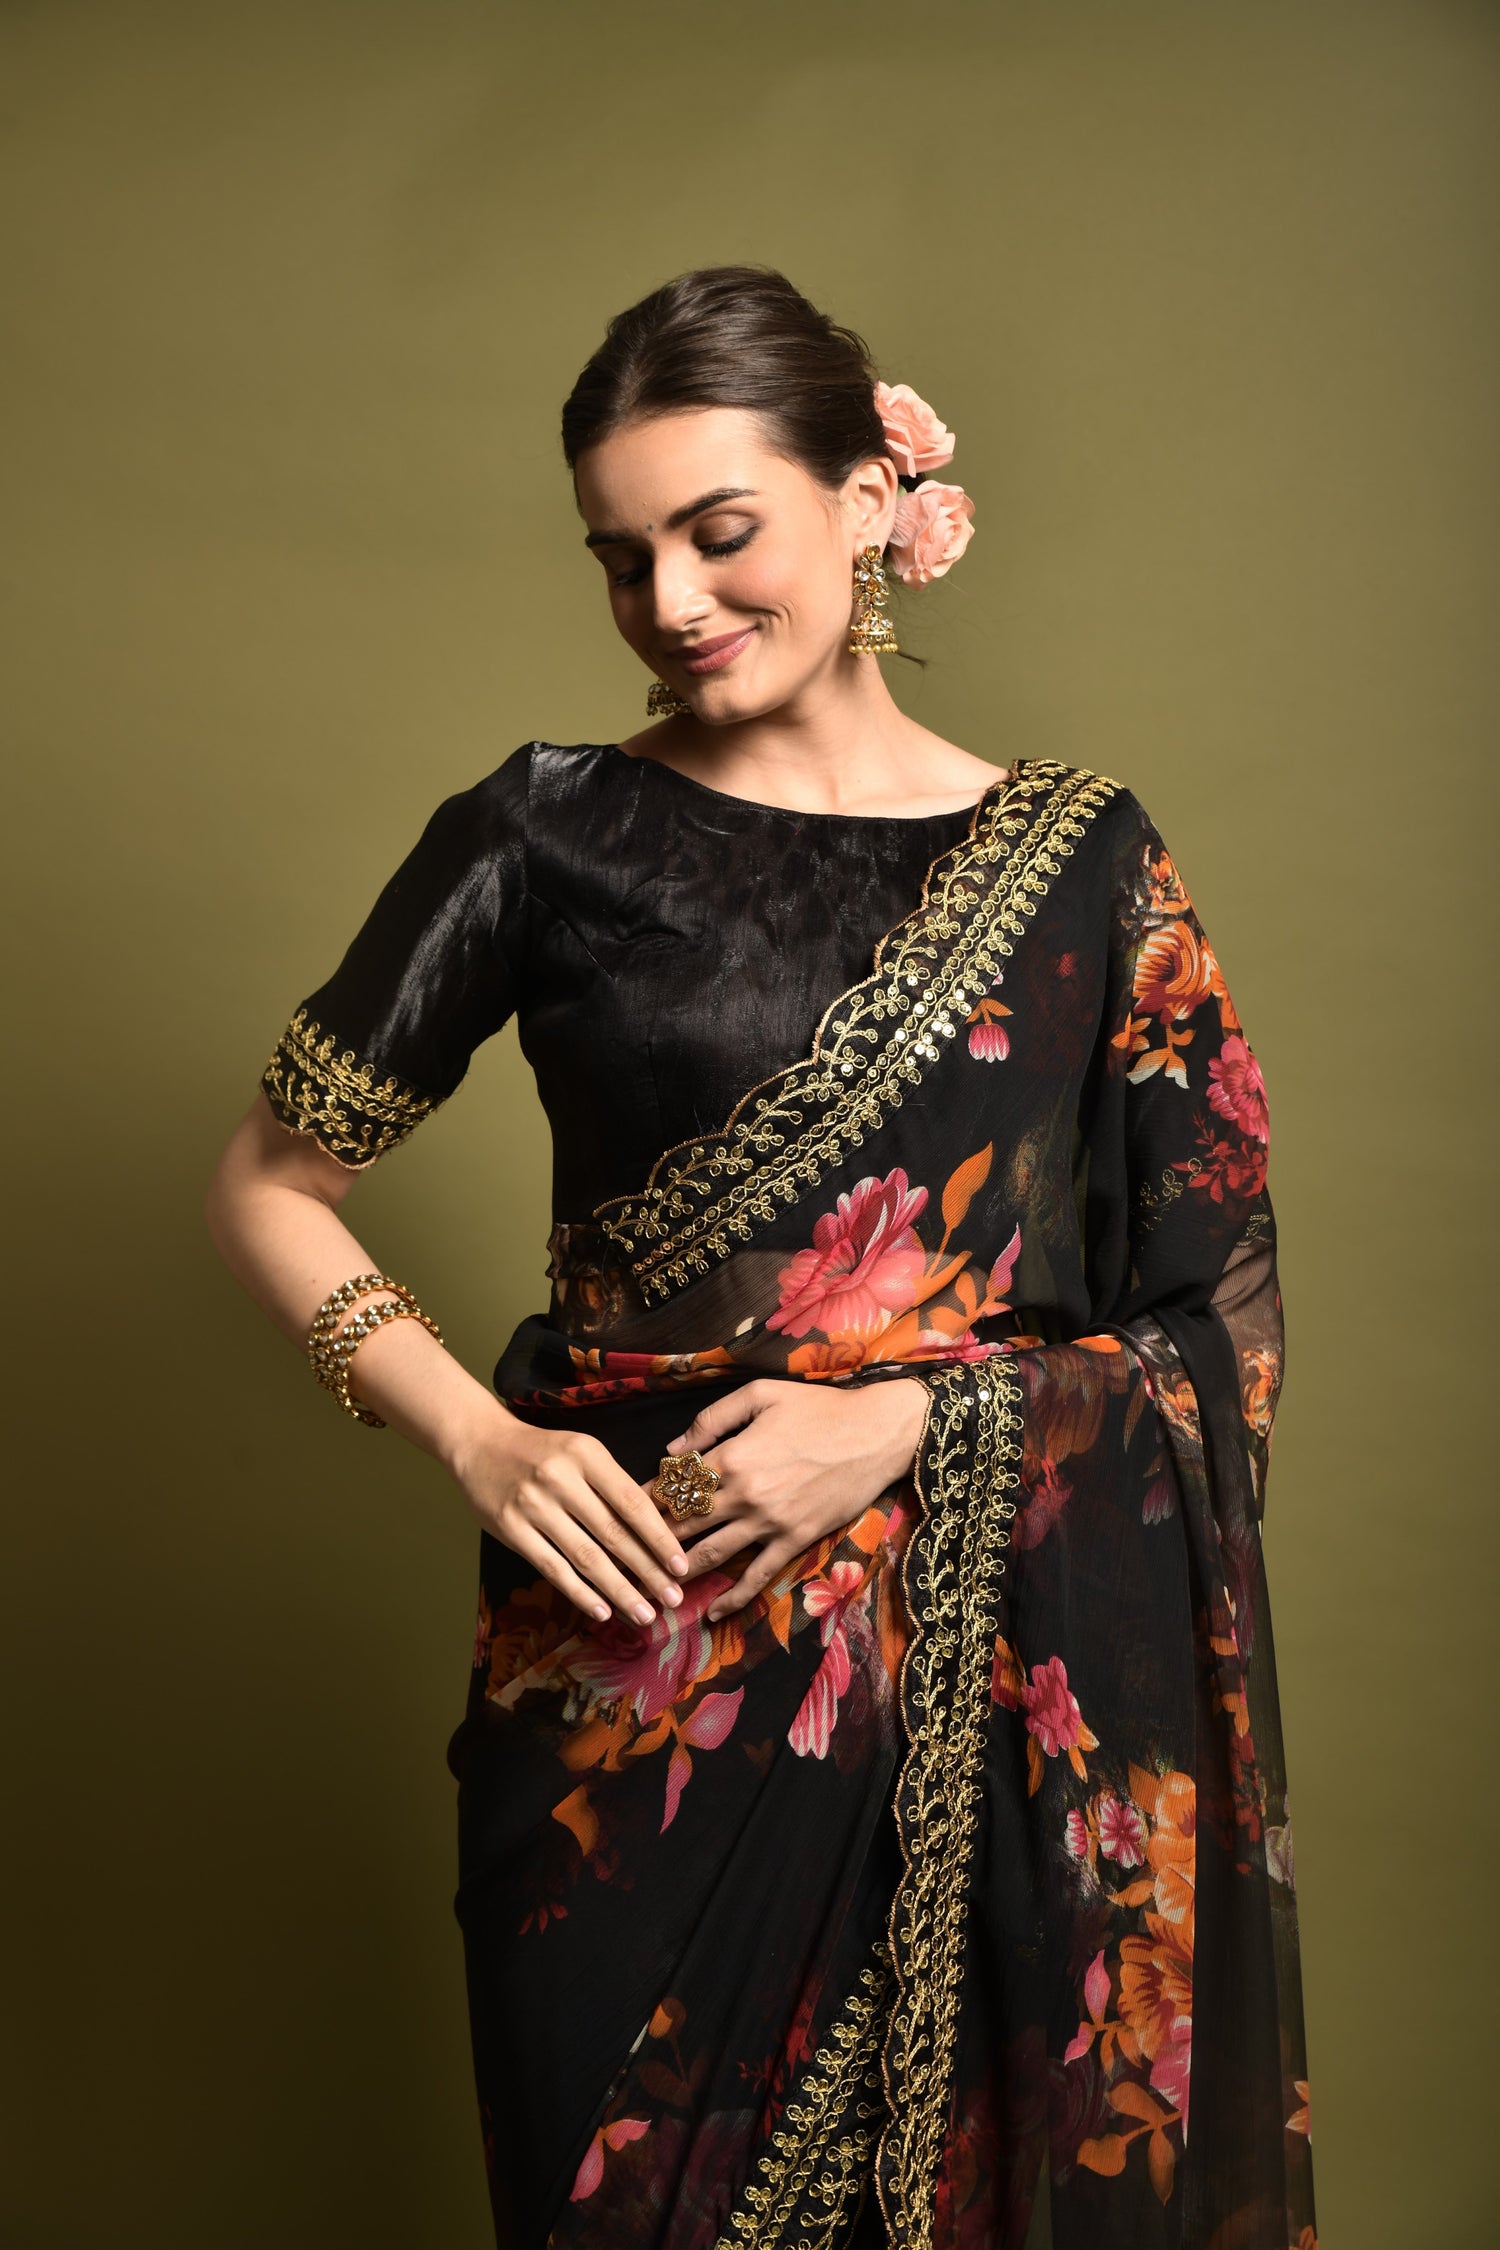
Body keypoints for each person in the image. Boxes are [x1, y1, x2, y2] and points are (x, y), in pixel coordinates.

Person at [205, 265, 1316, 2250]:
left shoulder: (1086, 865)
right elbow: (270, 1181)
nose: (672, 598)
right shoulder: (538, 837)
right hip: (625, 1706)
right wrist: (480, 1439)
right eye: (620, 557)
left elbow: (1219, 1336)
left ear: (868, 497)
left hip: (1001, 1710)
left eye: (720, 532)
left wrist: (908, 1429)